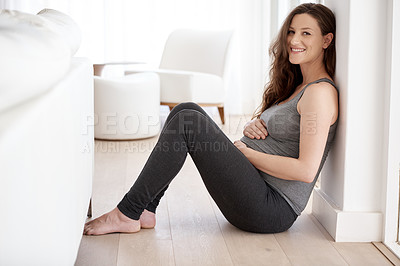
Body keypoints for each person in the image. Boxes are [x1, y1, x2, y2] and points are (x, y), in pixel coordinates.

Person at [84, 3, 338, 235]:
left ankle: (128, 212)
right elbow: (283, 133)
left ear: (326, 40)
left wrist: (248, 154)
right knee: (185, 109)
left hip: (271, 209)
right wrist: (254, 125)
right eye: (292, 31)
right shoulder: (299, 85)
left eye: (306, 33)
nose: (294, 39)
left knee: (188, 121)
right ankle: (146, 208)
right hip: (255, 188)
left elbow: (306, 171)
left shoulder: (320, 93)